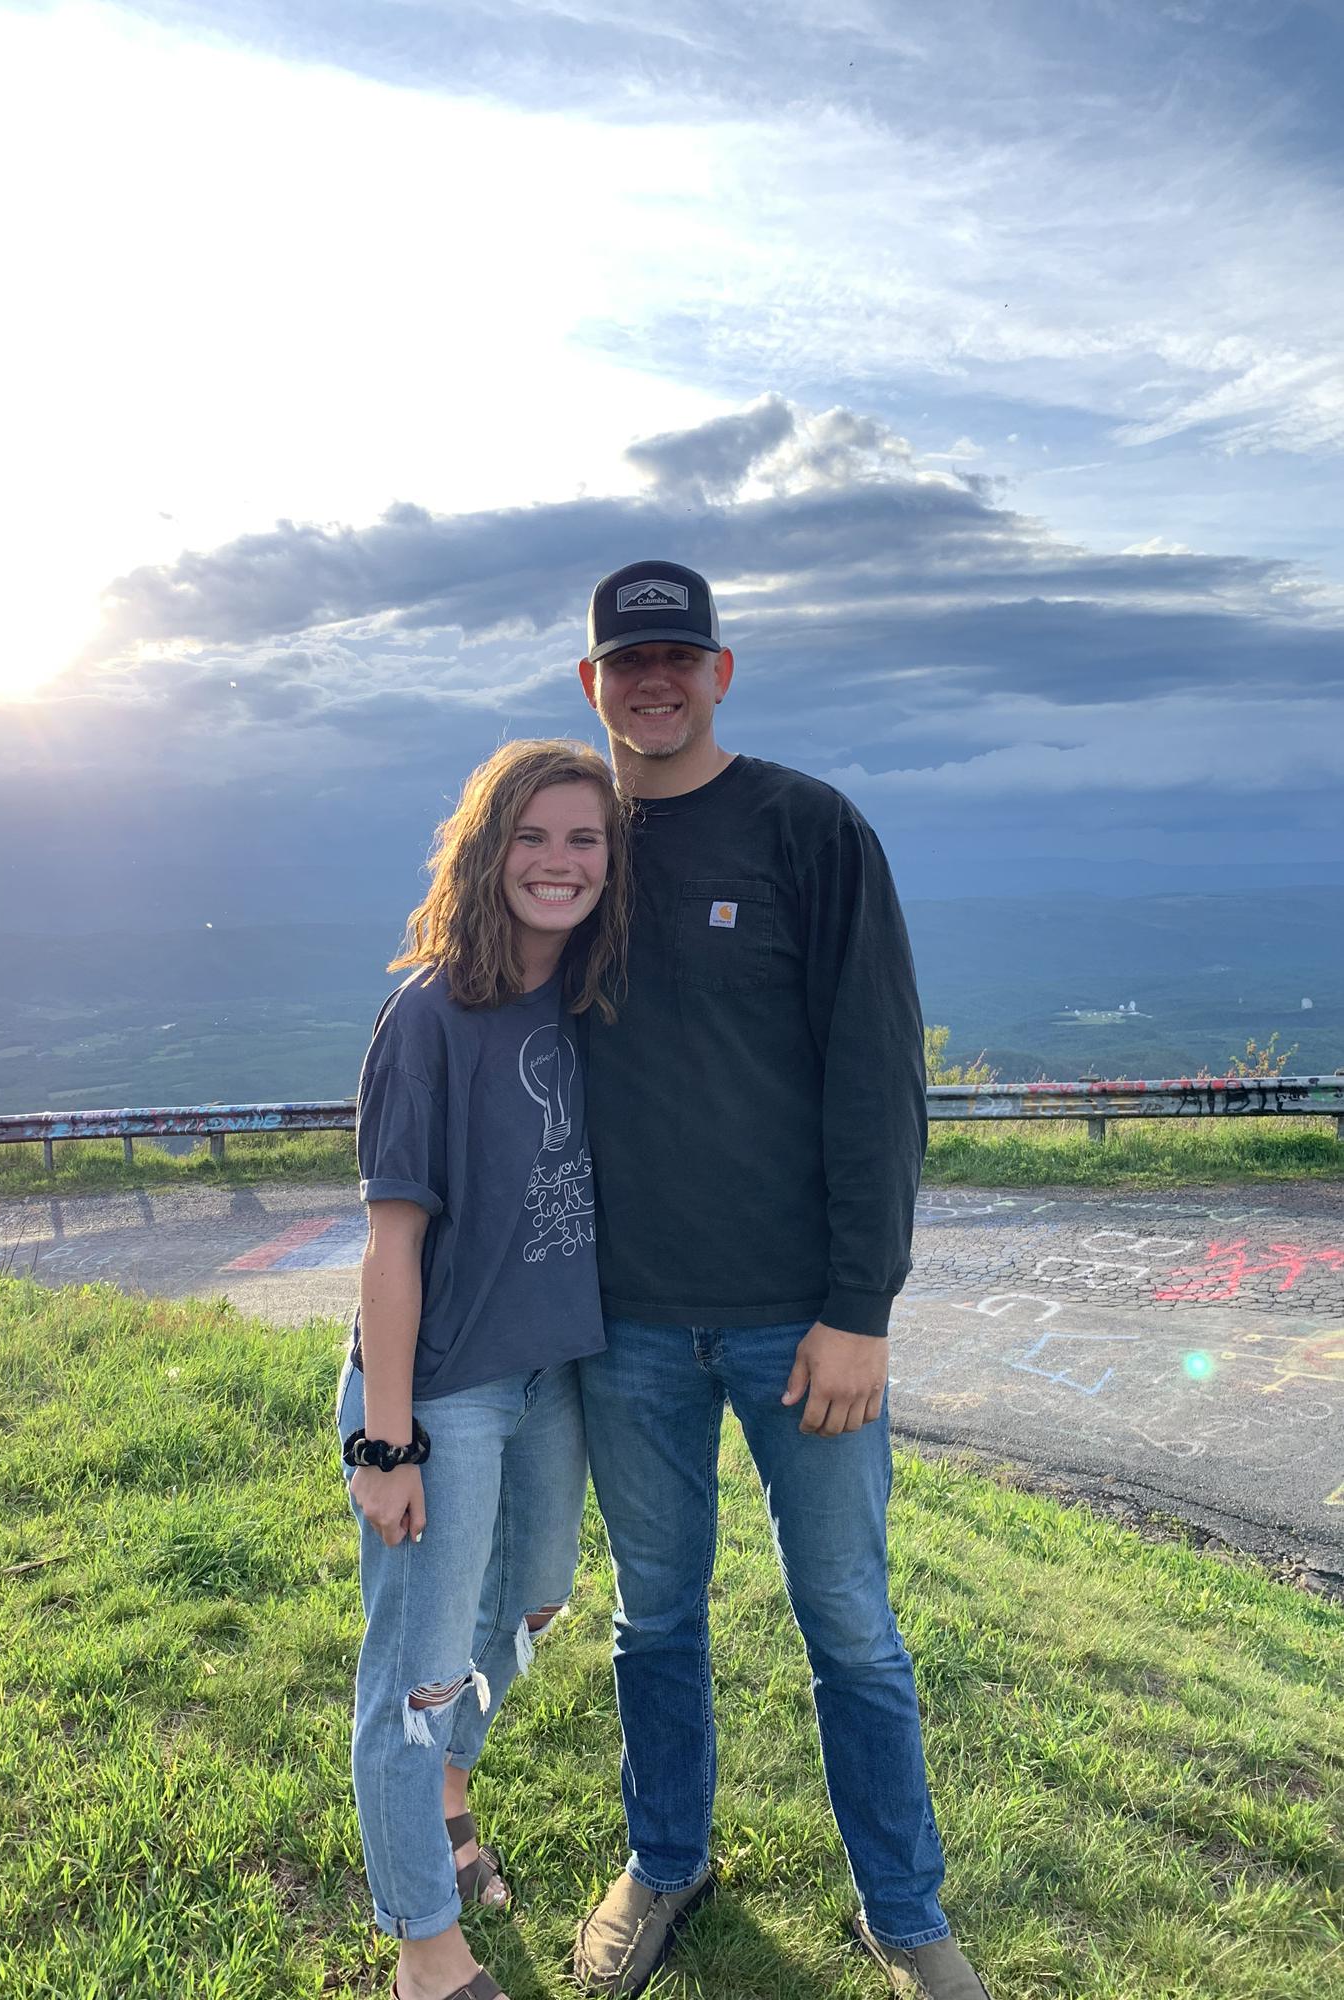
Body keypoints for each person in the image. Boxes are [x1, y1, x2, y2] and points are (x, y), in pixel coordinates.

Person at [570, 562, 992, 2000]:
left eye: (679, 656)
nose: (655, 681)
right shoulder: (569, 843)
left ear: (723, 671)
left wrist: (862, 1309)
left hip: (799, 1325)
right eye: (630, 663)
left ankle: (905, 1910)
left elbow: (881, 1081)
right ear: (592, 685)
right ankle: (665, 1861)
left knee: (853, 1627)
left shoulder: (807, 829)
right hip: (623, 1325)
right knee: (656, 1615)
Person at [336, 738, 630, 2000]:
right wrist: (387, 1439)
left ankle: (451, 1794)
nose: (558, 863)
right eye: (533, 836)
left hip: (549, 1370)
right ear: (486, 846)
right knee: (415, 1668)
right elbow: (390, 1244)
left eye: (585, 839)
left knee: (536, 1603)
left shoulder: (592, 996)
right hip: (443, 1386)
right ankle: (425, 1948)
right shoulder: (429, 1012)